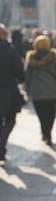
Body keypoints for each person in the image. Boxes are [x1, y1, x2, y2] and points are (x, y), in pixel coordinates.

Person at [25, 36, 56, 146]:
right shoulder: (53, 56)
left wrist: (26, 89)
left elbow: (27, 75)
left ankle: (45, 132)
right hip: (51, 90)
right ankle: (48, 132)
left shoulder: (30, 57)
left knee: (41, 114)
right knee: (51, 113)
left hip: (36, 90)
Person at [0, 24, 25, 161]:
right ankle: (1, 146)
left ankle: (1, 150)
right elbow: (19, 72)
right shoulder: (10, 50)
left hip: (7, 90)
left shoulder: (11, 49)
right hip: (8, 91)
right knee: (10, 120)